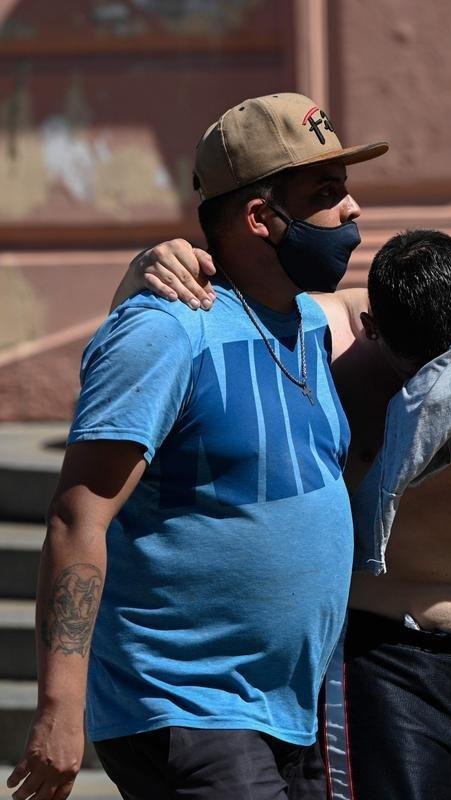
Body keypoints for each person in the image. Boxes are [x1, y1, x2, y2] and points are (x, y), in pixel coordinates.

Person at [7, 92, 389, 800]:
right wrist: (60, 709)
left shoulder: (309, 322)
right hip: (187, 706)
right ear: (259, 218)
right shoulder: (165, 332)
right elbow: (76, 519)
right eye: (327, 193)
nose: (353, 211)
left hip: (292, 710)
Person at [121, 228, 451, 800]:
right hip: (382, 662)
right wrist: (145, 269)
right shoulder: (317, 339)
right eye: (420, 371)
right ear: (372, 328)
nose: (442, 386)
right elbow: (171, 335)